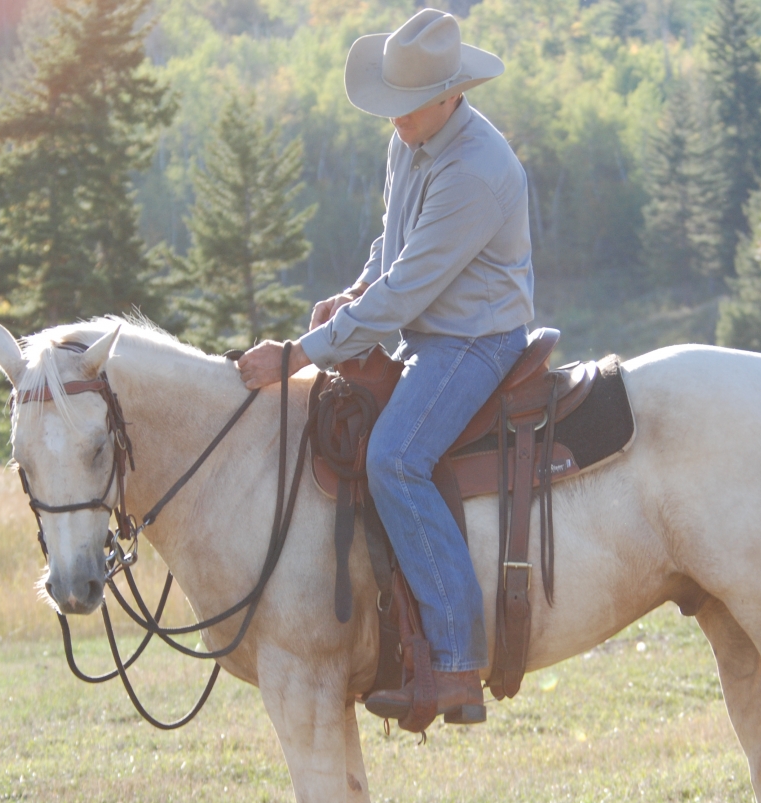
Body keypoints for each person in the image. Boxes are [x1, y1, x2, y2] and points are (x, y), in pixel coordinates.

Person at [236, 7, 534, 725]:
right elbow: (392, 247)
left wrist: (301, 354)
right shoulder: (411, 138)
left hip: (474, 338)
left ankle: (460, 659)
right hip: (429, 330)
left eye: (406, 108)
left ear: (449, 94)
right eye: (391, 107)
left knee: (395, 457)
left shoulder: (478, 171)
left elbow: (411, 289)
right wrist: (355, 290)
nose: (394, 120)